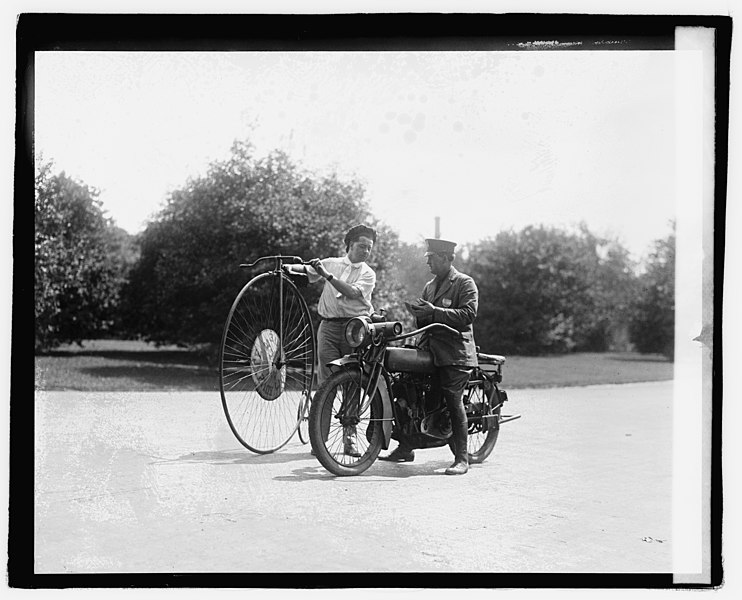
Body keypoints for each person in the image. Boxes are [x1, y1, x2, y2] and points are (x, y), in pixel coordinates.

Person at [379, 238, 478, 475]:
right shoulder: (430, 286)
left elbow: (468, 314)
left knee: (452, 398)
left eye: (431, 259)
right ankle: (406, 447)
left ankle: (462, 459)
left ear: (445, 258)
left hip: (455, 353)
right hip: (429, 351)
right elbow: (425, 320)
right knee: (405, 389)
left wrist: (435, 312)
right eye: (427, 259)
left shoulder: (464, 283)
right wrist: (419, 314)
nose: (428, 263)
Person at [284, 224, 377, 457]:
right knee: (326, 382)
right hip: (328, 327)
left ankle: (350, 438)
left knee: (352, 382)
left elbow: (353, 293)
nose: (365, 251)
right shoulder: (332, 262)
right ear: (349, 245)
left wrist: (327, 276)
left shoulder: (367, 273)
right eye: (361, 246)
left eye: (369, 248)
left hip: (354, 330)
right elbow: (308, 270)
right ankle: (320, 439)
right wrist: (287, 267)